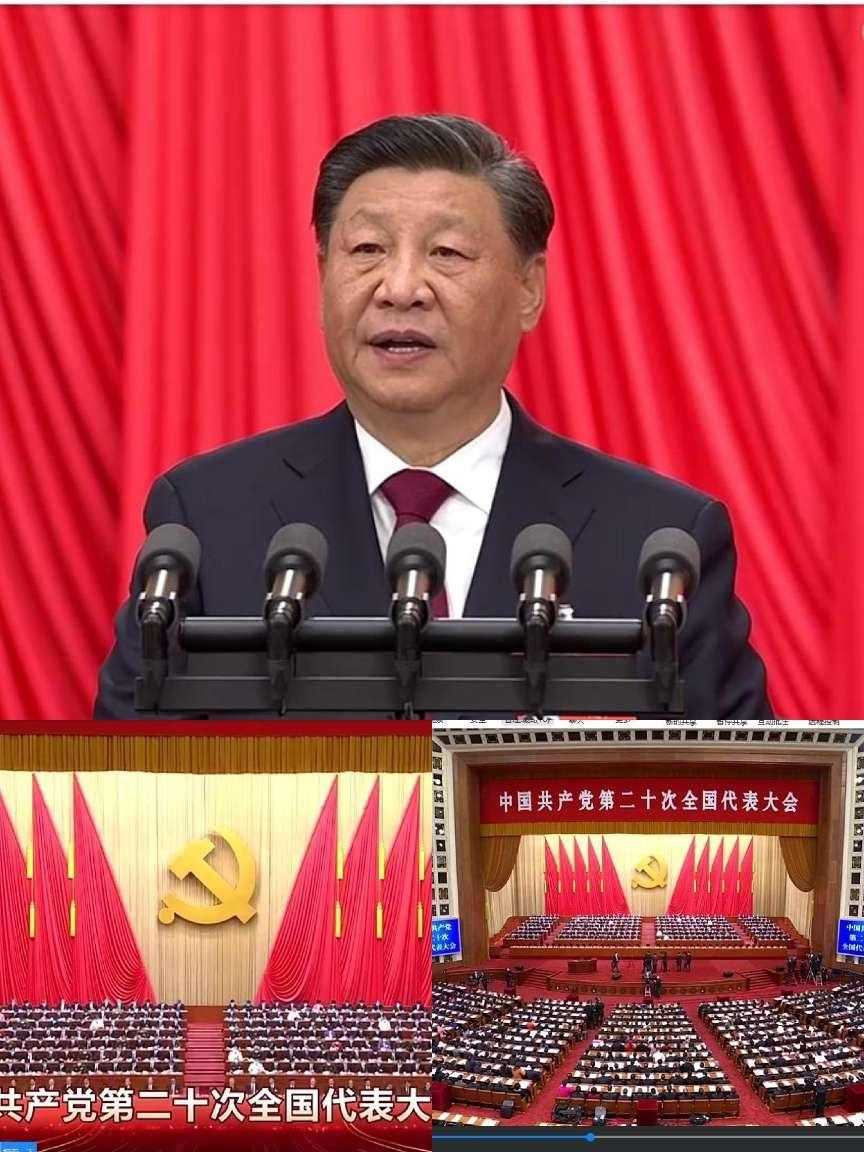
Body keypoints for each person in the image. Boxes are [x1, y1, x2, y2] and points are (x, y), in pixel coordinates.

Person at [94, 112, 771, 721]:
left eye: (446, 254)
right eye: (367, 251)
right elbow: (124, 789)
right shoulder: (208, 519)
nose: (400, 289)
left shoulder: (659, 541)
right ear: (323, 274)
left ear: (529, 289)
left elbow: (741, 794)